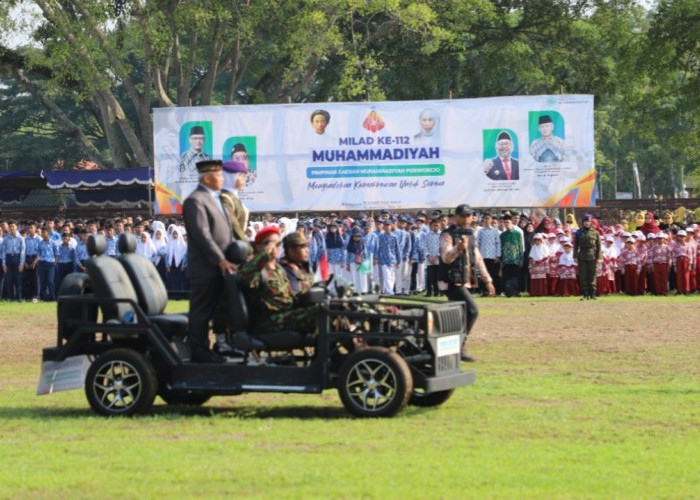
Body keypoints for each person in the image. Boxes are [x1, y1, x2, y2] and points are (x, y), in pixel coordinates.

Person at [182, 159, 237, 363]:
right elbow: (202, 235)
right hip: (205, 269)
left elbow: (226, 234)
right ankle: (199, 351)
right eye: (219, 175)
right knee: (201, 311)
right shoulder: (195, 200)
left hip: (223, 267)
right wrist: (220, 259)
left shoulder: (217, 199)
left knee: (222, 309)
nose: (223, 178)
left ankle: (223, 346)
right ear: (207, 178)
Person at [438, 205, 495, 362]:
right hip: (451, 281)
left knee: (457, 316)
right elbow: (446, 258)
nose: (466, 219)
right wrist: (458, 248)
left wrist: (487, 280)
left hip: (464, 280)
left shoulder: (471, 235)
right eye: (463, 216)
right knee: (472, 310)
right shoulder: (447, 235)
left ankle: (448, 349)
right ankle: (459, 347)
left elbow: (477, 257)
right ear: (455, 217)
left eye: (468, 216)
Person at [238, 226, 319, 335]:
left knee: (329, 309)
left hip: (286, 314)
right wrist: (264, 254)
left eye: (278, 244)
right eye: (269, 244)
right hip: (268, 321)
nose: (274, 248)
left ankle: (341, 350)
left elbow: (290, 296)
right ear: (258, 246)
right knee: (321, 313)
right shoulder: (256, 270)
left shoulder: (279, 269)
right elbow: (244, 278)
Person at [573, 214, 602, 300]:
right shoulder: (578, 232)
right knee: (583, 275)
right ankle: (585, 294)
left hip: (592, 255)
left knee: (592, 274)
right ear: (582, 222)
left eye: (588, 221)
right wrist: (575, 256)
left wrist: (599, 257)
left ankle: (592, 294)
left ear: (591, 222)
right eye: (585, 221)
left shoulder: (596, 232)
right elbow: (575, 245)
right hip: (582, 255)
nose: (587, 223)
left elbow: (599, 246)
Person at [499, 215, 524, 297]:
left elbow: (521, 247)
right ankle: (507, 292)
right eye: (505, 222)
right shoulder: (502, 235)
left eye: (508, 222)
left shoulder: (517, 233)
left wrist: (521, 259)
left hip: (515, 259)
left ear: (511, 222)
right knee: (506, 276)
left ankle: (515, 292)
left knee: (515, 276)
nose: (506, 224)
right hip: (506, 260)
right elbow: (501, 248)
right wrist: (502, 261)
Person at [2, 220, 25, 301]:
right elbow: (4, 252)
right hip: (8, 259)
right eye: (10, 226)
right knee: (8, 280)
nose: (11, 228)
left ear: (17, 227)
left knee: (18, 280)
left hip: (17, 258)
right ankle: (10, 297)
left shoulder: (21, 238)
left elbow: (22, 252)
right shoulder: (6, 238)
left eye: (13, 226)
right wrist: (4, 264)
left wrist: (21, 264)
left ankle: (18, 298)